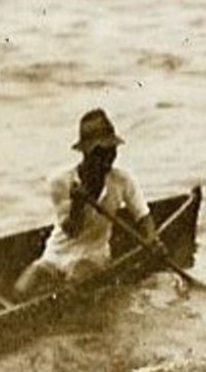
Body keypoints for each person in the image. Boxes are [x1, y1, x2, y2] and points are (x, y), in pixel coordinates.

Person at [15, 109, 160, 299]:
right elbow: (71, 230)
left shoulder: (123, 179)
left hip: (93, 255)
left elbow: (143, 215)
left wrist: (152, 239)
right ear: (86, 153)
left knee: (75, 281)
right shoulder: (60, 180)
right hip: (56, 253)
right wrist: (77, 204)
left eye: (112, 149)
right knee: (21, 290)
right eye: (102, 152)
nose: (110, 156)